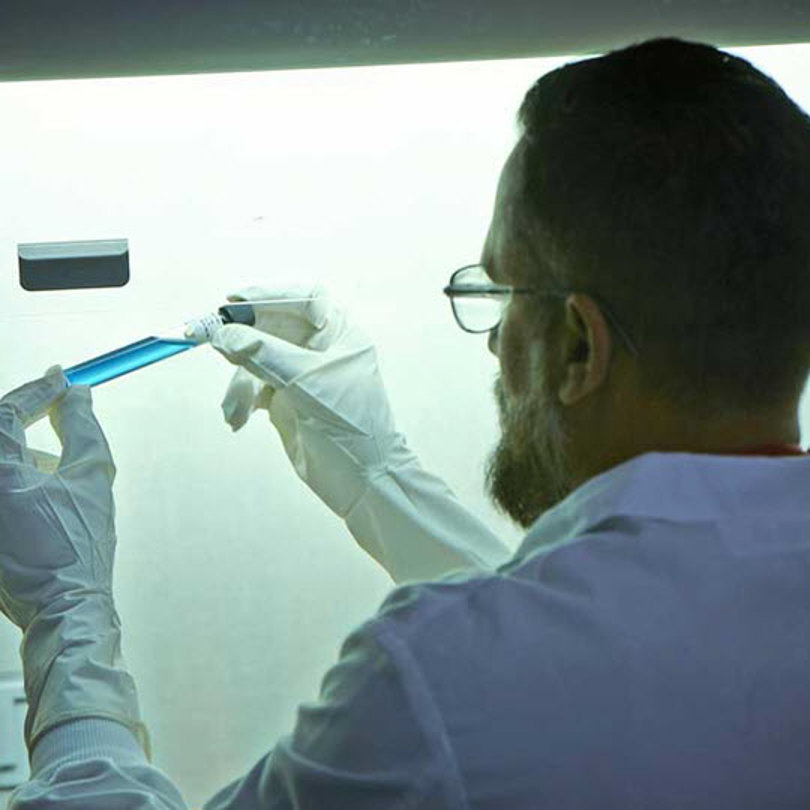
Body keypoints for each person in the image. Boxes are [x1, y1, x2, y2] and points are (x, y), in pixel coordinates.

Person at [3, 34, 810, 809]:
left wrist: (65, 614)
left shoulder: (439, 690)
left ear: (577, 348)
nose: (494, 342)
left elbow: (513, 690)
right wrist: (380, 479)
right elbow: (623, 650)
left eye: (502, 296)